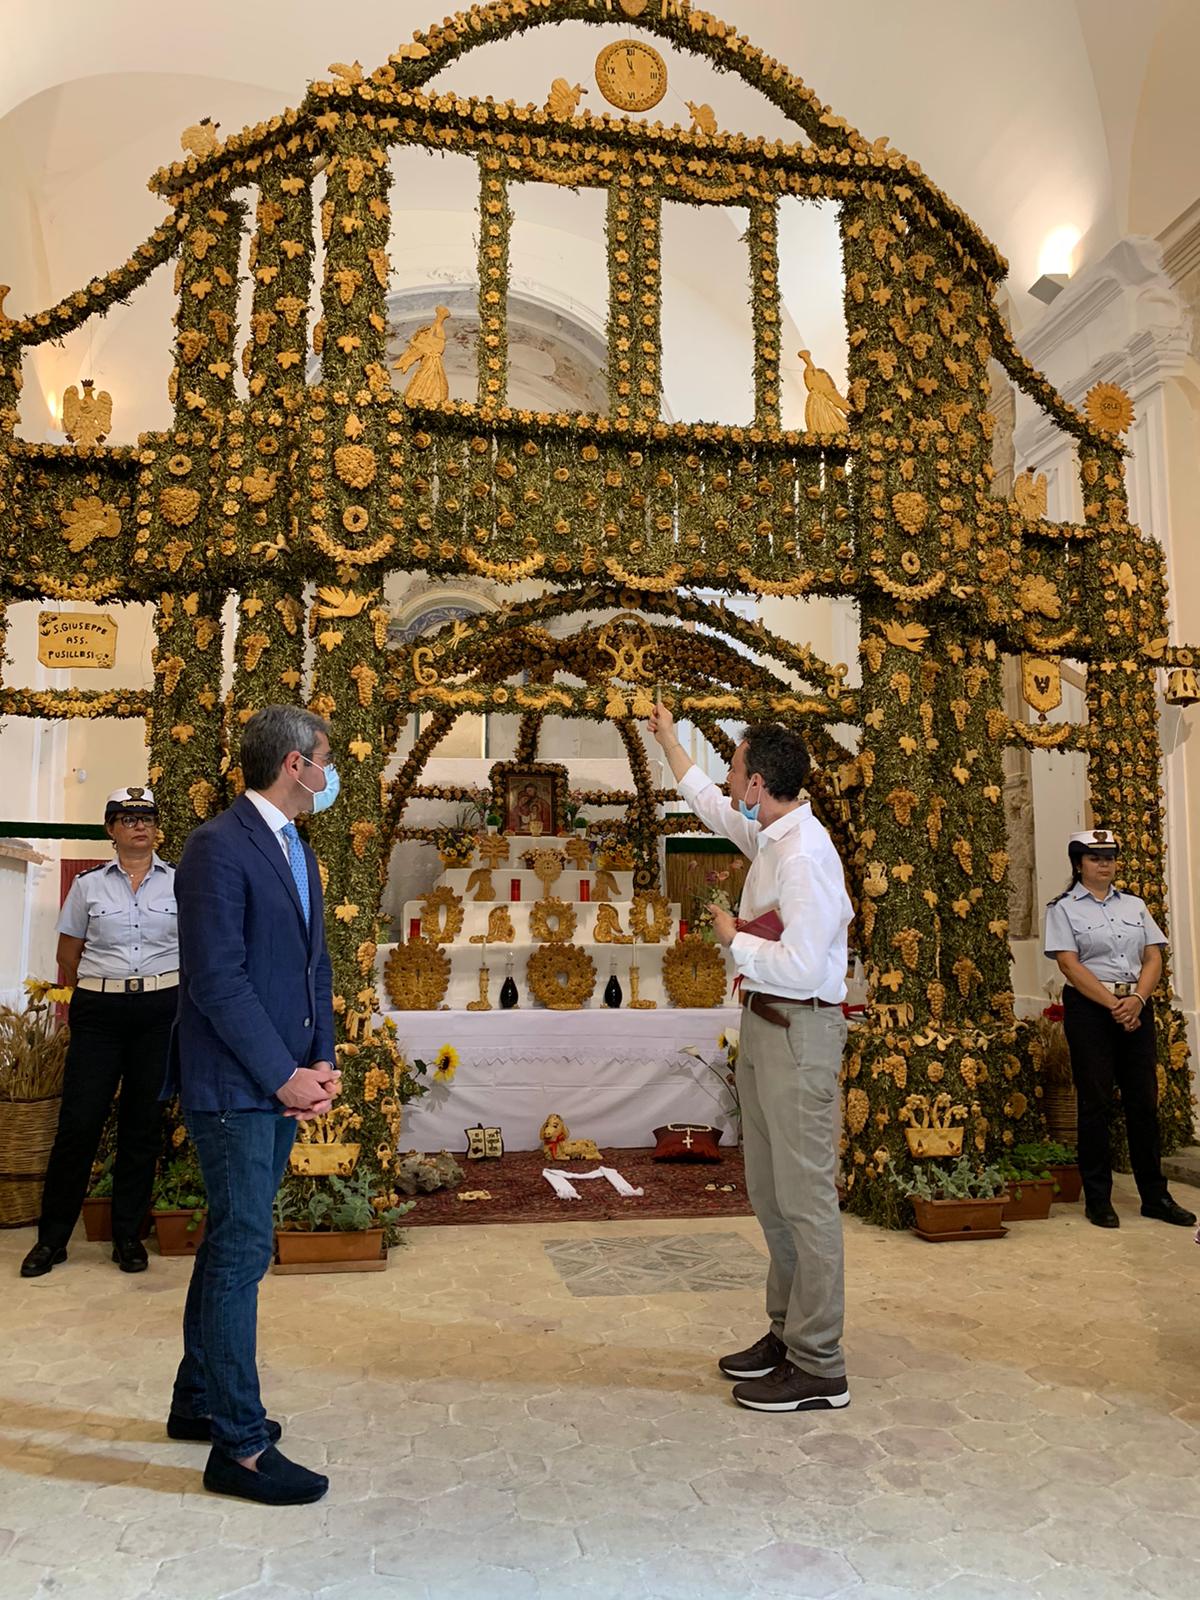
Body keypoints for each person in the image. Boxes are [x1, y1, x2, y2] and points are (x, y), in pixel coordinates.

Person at [649, 706, 854, 1412]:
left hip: (801, 1027)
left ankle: (820, 1363)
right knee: (770, 1195)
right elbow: (708, 803)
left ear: (758, 783)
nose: (728, 780)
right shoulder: (769, 833)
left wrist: (734, 938)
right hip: (766, 1025)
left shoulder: (803, 856)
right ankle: (786, 1333)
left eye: (734, 769)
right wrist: (667, 738)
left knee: (806, 1199)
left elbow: (803, 966)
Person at [165, 705, 342, 1505]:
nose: (332, 774)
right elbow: (217, 980)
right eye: (326, 759)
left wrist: (321, 1059)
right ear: (295, 763)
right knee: (243, 1253)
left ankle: (197, 1399)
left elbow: (313, 967)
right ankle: (237, 1448)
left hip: (275, 1081)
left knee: (231, 1242)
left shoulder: (297, 846)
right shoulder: (217, 845)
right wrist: (280, 1077)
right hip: (236, 1086)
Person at [21, 786, 176, 1279]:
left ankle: (128, 1237)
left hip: (159, 1010)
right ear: (111, 829)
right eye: (128, 818)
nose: (139, 826)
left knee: (142, 1126)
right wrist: (99, 993)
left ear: (156, 827)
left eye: (146, 818)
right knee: (79, 1123)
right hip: (100, 1012)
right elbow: (68, 954)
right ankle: (52, 1239)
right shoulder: (88, 886)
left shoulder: (179, 883)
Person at [1044, 828, 1196, 1231]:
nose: (1104, 864)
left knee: (1143, 1102)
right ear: (1079, 864)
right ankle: (1098, 1199)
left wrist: (1138, 1000)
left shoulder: (1134, 905)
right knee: (1095, 1103)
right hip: (1091, 1009)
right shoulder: (1063, 909)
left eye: (1110, 857)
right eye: (1095, 858)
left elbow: (1153, 957)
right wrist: (1114, 1005)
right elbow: (1069, 964)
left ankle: (1155, 1197)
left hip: (1135, 1006)